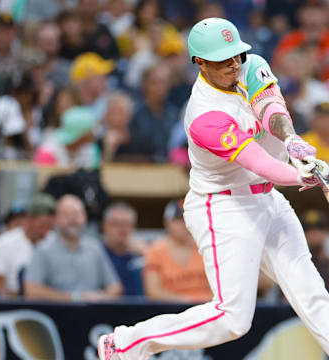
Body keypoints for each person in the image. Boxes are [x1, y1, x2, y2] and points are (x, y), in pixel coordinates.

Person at [97, 17, 329, 359]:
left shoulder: (250, 65)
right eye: (223, 58)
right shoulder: (205, 115)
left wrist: (291, 139)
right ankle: (126, 342)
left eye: (236, 54)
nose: (234, 63)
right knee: (232, 319)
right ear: (199, 62)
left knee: (311, 292)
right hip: (223, 208)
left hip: (266, 198)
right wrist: (300, 176)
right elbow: (257, 161)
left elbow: (270, 107)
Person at [25, 194, 122, 302]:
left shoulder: (95, 248)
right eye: (66, 215)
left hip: (94, 312)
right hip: (57, 313)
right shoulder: (43, 249)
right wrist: (73, 298)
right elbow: (32, 291)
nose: (73, 220)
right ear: (56, 219)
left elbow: (115, 287)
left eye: (77, 214)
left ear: (85, 218)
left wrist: (102, 298)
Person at [0, 193, 56, 296]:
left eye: (50, 227)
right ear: (28, 220)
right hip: (14, 304)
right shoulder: (5, 242)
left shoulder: (54, 242)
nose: (46, 232)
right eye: (42, 226)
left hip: (52, 300)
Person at [144, 199, 213, 303]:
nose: (184, 224)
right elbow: (153, 292)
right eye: (179, 219)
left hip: (207, 308)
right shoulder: (155, 251)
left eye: (188, 219)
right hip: (171, 310)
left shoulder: (207, 247)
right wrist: (187, 301)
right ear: (167, 223)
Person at [101, 202, 145, 297]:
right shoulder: (97, 253)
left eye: (127, 224)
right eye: (116, 224)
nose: (122, 229)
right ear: (104, 226)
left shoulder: (142, 254)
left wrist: (147, 253)